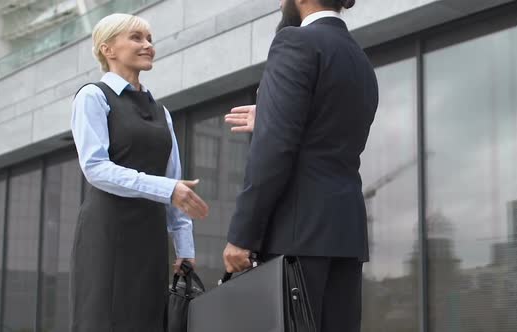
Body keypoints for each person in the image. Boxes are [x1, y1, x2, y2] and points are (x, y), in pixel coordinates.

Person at [222, 1, 378, 331]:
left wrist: (242, 234)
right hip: (345, 233)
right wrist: (268, 117)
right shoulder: (360, 60)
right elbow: (325, 128)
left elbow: (275, 148)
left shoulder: (295, 41)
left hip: (296, 234)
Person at [69, 13, 209, 332]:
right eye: (136, 38)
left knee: (148, 321)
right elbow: (95, 168)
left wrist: (185, 248)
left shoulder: (161, 112)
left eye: (149, 39)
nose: (147, 45)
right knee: (105, 320)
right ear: (108, 49)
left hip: (150, 236)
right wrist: (167, 189)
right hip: (107, 233)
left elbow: (173, 178)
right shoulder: (92, 97)